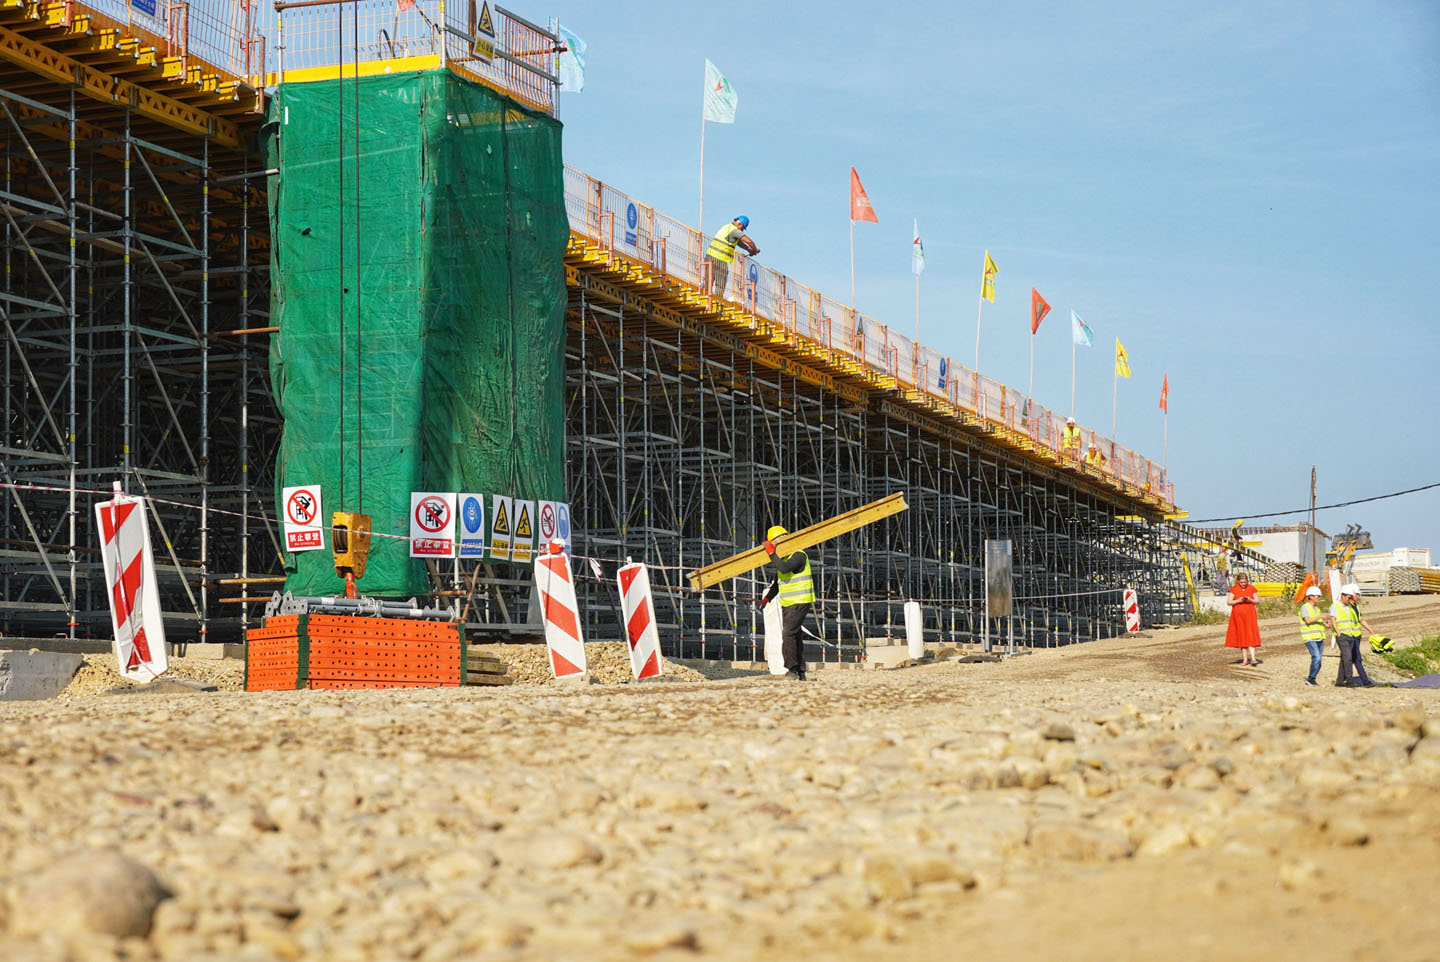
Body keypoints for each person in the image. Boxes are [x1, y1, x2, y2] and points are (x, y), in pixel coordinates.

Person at [759, 524, 813, 680]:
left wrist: (771, 552)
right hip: (789, 603)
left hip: (799, 601)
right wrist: (767, 598)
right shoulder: (784, 557)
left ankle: (792, 669)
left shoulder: (798, 555)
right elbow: (778, 582)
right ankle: (800, 672)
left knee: (788, 634)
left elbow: (783, 568)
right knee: (795, 635)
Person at [1327, 583, 1375, 688]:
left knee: (1345, 657)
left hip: (1352, 635)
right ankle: (1350, 680)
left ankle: (1339, 681)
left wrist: (1371, 631)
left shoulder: (1351, 606)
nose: (1351, 599)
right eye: (1349, 597)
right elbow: (1333, 619)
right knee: (1349, 657)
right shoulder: (1336, 606)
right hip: (1343, 635)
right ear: (1343, 595)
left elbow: (1359, 619)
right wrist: (1338, 632)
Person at [705, 215, 759, 298]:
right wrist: (754, 250)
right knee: (721, 282)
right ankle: (717, 300)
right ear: (740, 224)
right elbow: (749, 241)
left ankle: (706, 296)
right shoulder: (735, 230)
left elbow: (738, 242)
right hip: (720, 259)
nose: (741, 230)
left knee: (708, 279)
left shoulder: (727, 227)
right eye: (742, 228)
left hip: (710, 256)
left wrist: (748, 249)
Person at [1225, 570, 1262, 666]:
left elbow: (1257, 601)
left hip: (1250, 615)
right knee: (1241, 635)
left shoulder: (1251, 589)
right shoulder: (1233, 589)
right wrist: (1238, 600)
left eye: (1245, 582)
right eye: (1241, 582)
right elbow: (1229, 602)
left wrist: (1250, 599)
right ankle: (1245, 659)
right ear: (1238, 581)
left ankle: (1253, 658)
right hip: (1238, 616)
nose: (1243, 584)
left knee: (1250, 634)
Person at [1298, 585, 1327, 686]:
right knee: (1316, 658)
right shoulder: (1304, 608)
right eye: (1317, 596)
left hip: (1319, 636)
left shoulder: (1317, 608)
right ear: (1310, 597)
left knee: (1319, 661)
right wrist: (1321, 616)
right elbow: (1308, 620)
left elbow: (1317, 620)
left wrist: (1324, 624)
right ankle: (1310, 679)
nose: (1319, 598)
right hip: (1310, 638)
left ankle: (1312, 678)